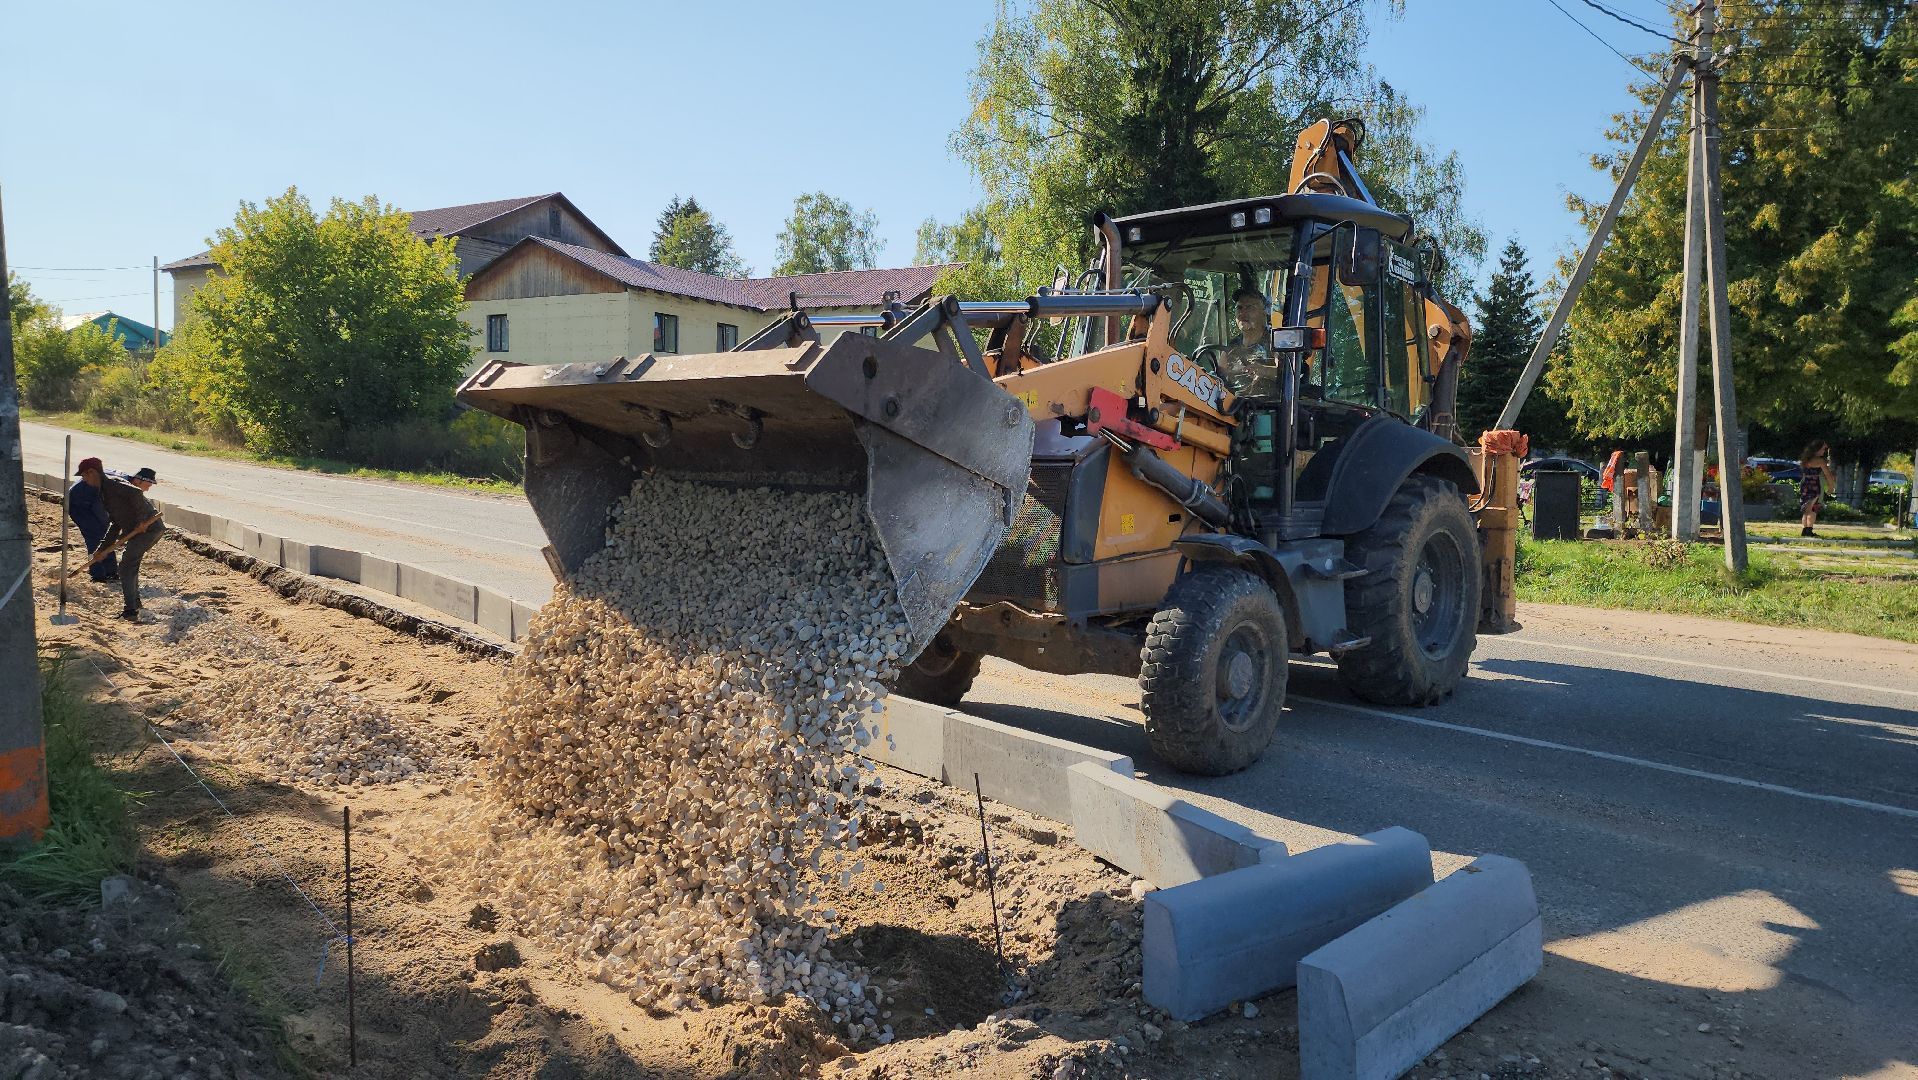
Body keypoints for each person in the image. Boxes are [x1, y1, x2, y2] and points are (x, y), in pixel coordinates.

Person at [95, 466, 166, 621]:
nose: (148, 489)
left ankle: (131, 610)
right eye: (148, 485)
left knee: (126, 567)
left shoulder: (128, 491)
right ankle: (135, 604)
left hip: (150, 529)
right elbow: (115, 524)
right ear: (138, 480)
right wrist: (102, 549)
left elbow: (137, 497)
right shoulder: (116, 492)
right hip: (145, 531)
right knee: (130, 566)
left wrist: (141, 522)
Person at [1216, 288, 1279, 398]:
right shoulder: (1232, 346)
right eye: (1239, 308)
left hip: (1267, 404)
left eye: (1250, 307)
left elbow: (1288, 374)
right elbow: (1219, 375)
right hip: (1232, 403)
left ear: (1264, 313)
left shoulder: (1275, 341)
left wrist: (1264, 370)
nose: (1242, 313)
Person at [67, 457, 119, 583]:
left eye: (84, 475)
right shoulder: (85, 489)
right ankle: (98, 574)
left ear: (92, 472)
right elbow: (100, 511)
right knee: (95, 540)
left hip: (90, 509)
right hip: (80, 511)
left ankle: (110, 572)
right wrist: (111, 526)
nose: (83, 478)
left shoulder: (105, 483)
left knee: (105, 538)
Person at [1798, 440, 1838, 537]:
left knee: (1806, 508)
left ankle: (1805, 529)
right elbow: (1828, 475)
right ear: (1817, 449)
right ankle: (1809, 530)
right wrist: (1831, 487)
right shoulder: (1820, 461)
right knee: (1813, 508)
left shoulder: (1804, 460)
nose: (1824, 451)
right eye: (1823, 449)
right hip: (1815, 485)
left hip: (1805, 484)